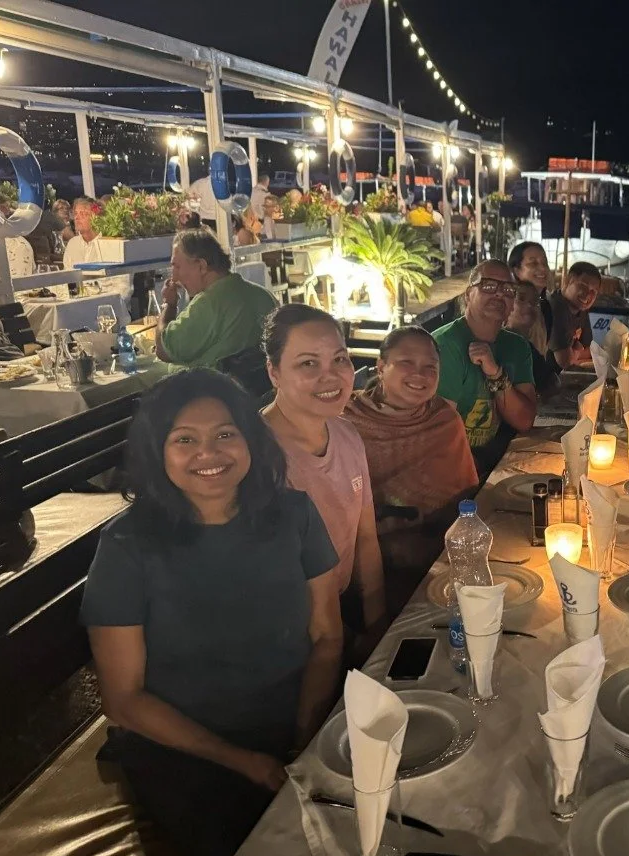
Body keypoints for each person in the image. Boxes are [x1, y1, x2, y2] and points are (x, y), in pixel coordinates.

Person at [81, 369, 343, 856]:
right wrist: (244, 760)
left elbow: (327, 636)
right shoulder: (128, 547)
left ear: (249, 438)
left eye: (226, 433)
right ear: (158, 451)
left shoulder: (294, 513)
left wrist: (306, 735)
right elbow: (124, 699)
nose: (210, 453)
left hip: (296, 719)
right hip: (184, 747)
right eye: (185, 440)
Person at [262, 305, 386, 644]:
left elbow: (365, 539)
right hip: (286, 634)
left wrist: (380, 633)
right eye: (308, 363)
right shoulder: (254, 458)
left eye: (340, 359)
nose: (330, 376)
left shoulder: (347, 435)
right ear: (274, 372)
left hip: (340, 614)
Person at [342, 327, 479, 589]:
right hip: (362, 562)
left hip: (437, 553)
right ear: (381, 367)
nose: (420, 374)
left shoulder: (444, 418)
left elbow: (463, 498)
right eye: (406, 362)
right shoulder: (346, 421)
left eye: (431, 366)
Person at [433, 259, 538, 474]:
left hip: (493, 458)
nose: (499, 294)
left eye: (508, 290)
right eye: (488, 286)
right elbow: (440, 436)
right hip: (452, 467)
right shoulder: (443, 346)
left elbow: (525, 420)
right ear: (468, 295)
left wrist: (496, 374)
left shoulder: (517, 347)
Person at [157, 230, 278, 373]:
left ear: (201, 266)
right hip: (258, 390)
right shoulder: (264, 296)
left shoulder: (208, 304)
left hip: (213, 391)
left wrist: (169, 305)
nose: (175, 277)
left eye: (177, 266)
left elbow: (164, 350)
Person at [62, 197, 130, 297]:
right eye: (76, 213)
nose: (77, 217)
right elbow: (66, 280)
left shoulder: (112, 244)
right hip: (76, 303)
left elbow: (123, 288)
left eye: (83, 214)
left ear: (97, 218)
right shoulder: (72, 244)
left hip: (108, 304)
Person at [507, 279, 560, 395]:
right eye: (521, 298)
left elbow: (550, 380)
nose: (530, 304)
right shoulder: (505, 342)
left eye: (535, 301)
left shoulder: (526, 345)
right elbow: (551, 384)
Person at [548, 260, 600, 369]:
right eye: (583, 286)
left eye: (593, 291)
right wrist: (577, 349)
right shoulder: (555, 307)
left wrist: (573, 352)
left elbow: (590, 350)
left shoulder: (581, 309)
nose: (587, 295)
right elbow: (565, 361)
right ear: (568, 281)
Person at [507, 240, 555, 350]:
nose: (543, 268)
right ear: (516, 270)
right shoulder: (510, 306)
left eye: (545, 263)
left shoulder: (545, 306)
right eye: (533, 263)